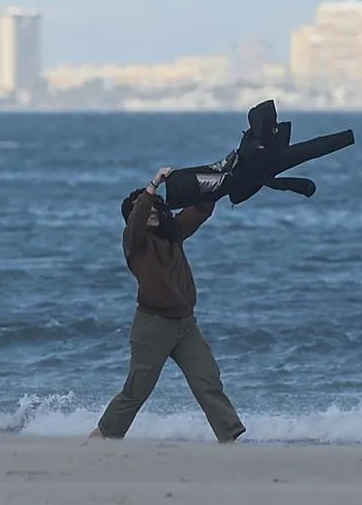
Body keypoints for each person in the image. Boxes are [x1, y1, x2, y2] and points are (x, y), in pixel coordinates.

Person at [91, 166, 246, 443]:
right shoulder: (133, 241)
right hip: (153, 326)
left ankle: (230, 437)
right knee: (137, 389)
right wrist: (153, 185)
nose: (151, 211)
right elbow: (138, 217)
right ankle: (104, 435)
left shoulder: (173, 233)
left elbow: (200, 210)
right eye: (145, 208)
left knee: (208, 380)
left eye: (155, 208)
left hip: (186, 324)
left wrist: (215, 182)